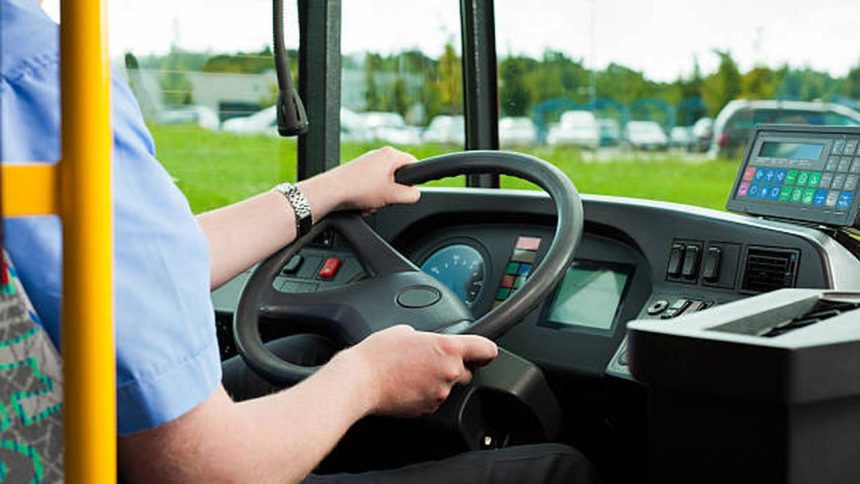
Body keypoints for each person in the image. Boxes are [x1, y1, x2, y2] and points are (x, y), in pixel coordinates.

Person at [0, 0, 597, 482]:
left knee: (306, 350)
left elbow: (132, 266)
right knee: (558, 469)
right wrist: (368, 377)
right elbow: (207, 470)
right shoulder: (41, 78)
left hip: (46, 430)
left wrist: (329, 190)